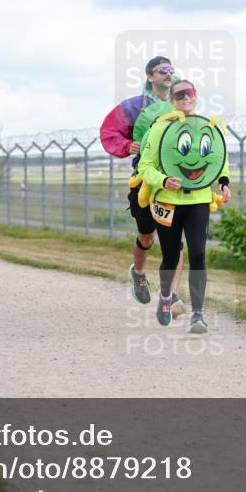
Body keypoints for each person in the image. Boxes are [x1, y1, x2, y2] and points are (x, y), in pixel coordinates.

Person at [138, 80, 231, 333]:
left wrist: (224, 182)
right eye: (179, 95)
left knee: (198, 255)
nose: (184, 98)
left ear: (196, 95)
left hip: (198, 200)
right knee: (170, 256)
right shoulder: (159, 129)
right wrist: (163, 180)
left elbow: (217, 160)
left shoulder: (207, 126)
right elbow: (144, 167)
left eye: (188, 93)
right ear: (172, 100)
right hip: (167, 201)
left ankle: (198, 314)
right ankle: (166, 298)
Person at [99, 56, 185, 315]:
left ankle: (170, 298)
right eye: (162, 71)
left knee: (175, 243)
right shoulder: (135, 107)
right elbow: (109, 132)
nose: (168, 74)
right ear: (150, 77)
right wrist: (128, 146)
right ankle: (138, 273)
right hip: (145, 182)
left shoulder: (181, 103)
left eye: (171, 70)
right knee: (147, 236)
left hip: (174, 183)